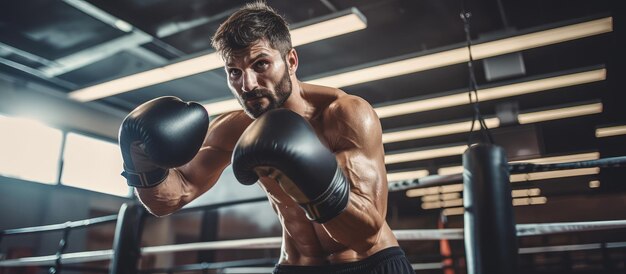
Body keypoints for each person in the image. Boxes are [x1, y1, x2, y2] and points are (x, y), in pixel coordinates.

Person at [118, 2, 413, 274]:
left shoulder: (346, 114)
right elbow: (171, 198)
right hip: (296, 266)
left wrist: (313, 179)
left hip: (370, 264)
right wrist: (141, 162)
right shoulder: (236, 128)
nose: (247, 84)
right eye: (234, 72)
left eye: (260, 64)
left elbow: (365, 235)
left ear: (291, 60)